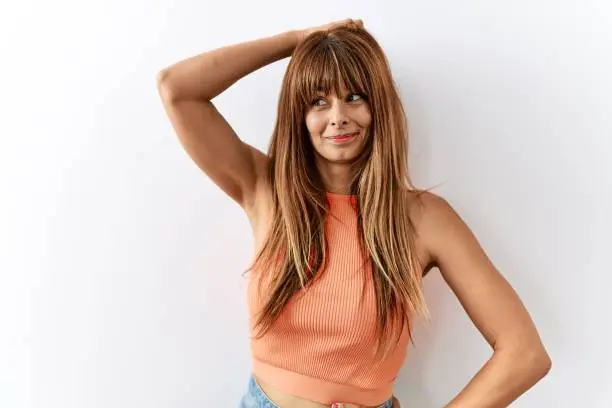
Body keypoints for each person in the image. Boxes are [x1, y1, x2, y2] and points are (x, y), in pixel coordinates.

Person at [157, 18, 551, 408]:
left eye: (354, 97)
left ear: (378, 105)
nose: (337, 116)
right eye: (318, 100)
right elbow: (177, 89)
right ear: (300, 115)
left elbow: (524, 355)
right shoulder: (265, 189)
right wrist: (297, 42)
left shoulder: (423, 218)